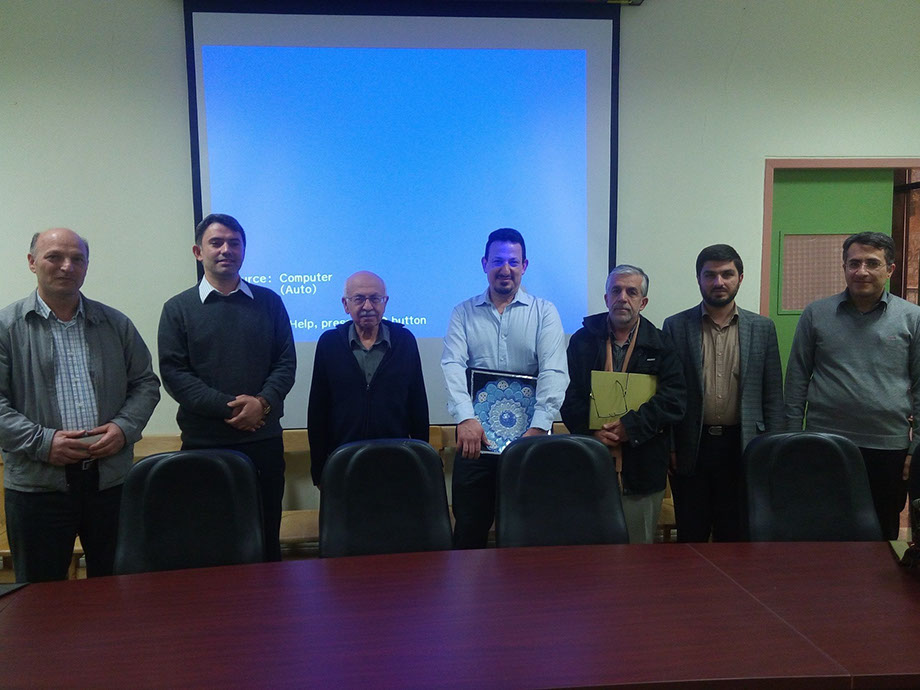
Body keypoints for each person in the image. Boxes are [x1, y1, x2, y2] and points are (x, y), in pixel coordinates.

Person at [0, 228, 160, 582]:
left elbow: (146, 384)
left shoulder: (115, 324)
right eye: (54, 257)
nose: (66, 266)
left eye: (77, 259)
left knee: (120, 589)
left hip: (111, 482)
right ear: (32, 262)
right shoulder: (6, 328)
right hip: (38, 488)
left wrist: (123, 428)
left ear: (86, 266)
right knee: (41, 597)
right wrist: (43, 442)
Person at [158, 213, 296, 560]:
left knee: (265, 538)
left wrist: (261, 404)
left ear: (244, 250)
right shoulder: (177, 309)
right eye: (216, 243)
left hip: (263, 442)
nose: (226, 250)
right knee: (208, 541)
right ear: (198, 252)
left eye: (234, 243)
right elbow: (176, 374)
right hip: (204, 444)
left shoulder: (270, 302)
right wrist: (232, 408)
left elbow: (285, 363)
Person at [785, 231, 920, 540]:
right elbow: (796, 381)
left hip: (888, 448)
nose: (862, 271)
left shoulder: (912, 318)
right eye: (854, 263)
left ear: (890, 269)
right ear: (843, 267)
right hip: (823, 443)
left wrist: (916, 448)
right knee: (822, 532)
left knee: (881, 535)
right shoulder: (816, 314)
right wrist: (792, 439)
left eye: (872, 263)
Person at [441, 228, 568, 548]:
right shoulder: (463, 313)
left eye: (513, 261)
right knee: (469, 531)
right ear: (484, 263)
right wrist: (465, 418)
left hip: (530, 440)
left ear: (525, 265)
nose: (505, 269)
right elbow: (452, 365)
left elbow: (553, 370)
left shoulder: (544, 312)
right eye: (497, 261)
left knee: (529, 531)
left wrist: (540, 426)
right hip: (475, 440)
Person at [662, 244, 784, 542]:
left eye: (727, 274)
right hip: (692, 446)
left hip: (744, 445)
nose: (719, 282)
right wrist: (670, 446)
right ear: (699, 279)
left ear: (740, 278)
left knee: (737, 536)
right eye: (710, 275)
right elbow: (666, 393)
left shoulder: (762, 328)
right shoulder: (676, 326)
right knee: (691, 534)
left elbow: (772, 396)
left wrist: (774, 449)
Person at [561, 265, 685, 544]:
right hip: (591, 460)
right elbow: (567, 395)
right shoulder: (582, 341)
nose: (623, 298)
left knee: (636, 553)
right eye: (616, 291)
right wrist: (591, 431)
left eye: (632, 292)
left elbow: (674, 400)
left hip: (643, 467)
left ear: (643, 302)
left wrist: (631, 427)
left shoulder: (662, 344)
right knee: (589, 551)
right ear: (606, 298)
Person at [308, 271, 429, 486]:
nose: (367, 306)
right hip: (343, 462)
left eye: (375, 298)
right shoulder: (329, 344)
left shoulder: (404, 341)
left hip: (396, 460)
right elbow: (318, 410)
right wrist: (318, 469)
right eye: (359, 299)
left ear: (385, 302)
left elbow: (418, 404)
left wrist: (422, 462)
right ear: (346, 305)